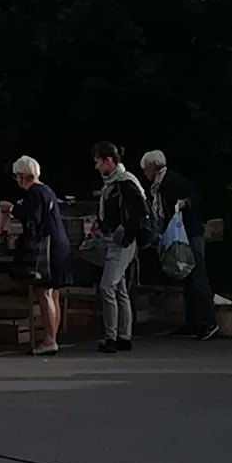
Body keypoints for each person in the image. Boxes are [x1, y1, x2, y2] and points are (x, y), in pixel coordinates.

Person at [144, 149, 218, 338]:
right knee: (188, 277)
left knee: (198, 277)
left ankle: (209, 320)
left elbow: (196, 197)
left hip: (190, 233)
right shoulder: (160, 186)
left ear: (153, 167)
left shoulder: (173, 180)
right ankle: (193, 321)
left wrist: (184, 203)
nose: (145, 173)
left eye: (145, 169)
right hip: (180, 234)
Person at [90, 143, 154, 353]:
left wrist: (126, 234)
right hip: (118, 239)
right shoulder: (118, 183)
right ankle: (124, 336)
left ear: (108, 160)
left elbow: (139, 213)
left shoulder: (124, 183)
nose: (97, 167)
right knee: (119, 288)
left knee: (108, 286)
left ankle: (112, 337)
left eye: (98, 162)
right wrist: (102, 223)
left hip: (121, 241)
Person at [7, 155, 69, 355]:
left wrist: (12, 209)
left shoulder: (34, 193)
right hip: (60, 244)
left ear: (23, 175)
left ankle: (49, 340)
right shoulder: (47, 190)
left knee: (44, 292)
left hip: (47, 248)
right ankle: (52, 337)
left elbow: (32, 219)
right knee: (54, 292)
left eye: (17, 176)